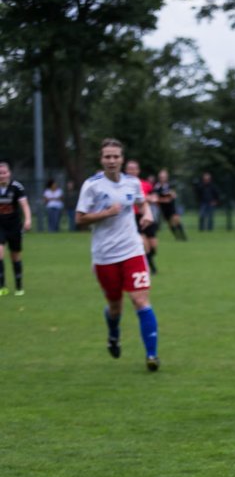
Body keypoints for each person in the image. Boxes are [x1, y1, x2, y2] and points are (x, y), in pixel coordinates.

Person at [75, 139, 160, 371]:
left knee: (140, 300)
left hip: (132, 250)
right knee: (115, 307)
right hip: (104, 256)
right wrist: (105, 213)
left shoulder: (132, 183)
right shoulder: (92, 186)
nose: (111, 161)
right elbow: (79, 219)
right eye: (107, 157)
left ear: (122, 159)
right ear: (101, 159)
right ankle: (113, 334)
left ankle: (152, 355)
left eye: (115, 157)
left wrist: (147, 214)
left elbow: (143, 204)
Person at [0, 162, 33, 296]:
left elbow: (24, 205)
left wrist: (28, 219)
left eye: (4, 172)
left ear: (9, 173)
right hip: (0, 226)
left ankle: (19, 287)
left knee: (15, 256)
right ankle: (2, 287)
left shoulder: (17, 187)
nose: (2, 175)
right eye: (0, 173)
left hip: (14, 226)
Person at [124, 160, 158, 272]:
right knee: (144, 243)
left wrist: (150, 198)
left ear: (138, 170)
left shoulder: (145, 184)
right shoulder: (122, 185)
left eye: (134, 168)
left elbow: (154, 197)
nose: (132, 171)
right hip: (133, 217)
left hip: (146, 216)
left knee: (153, 246)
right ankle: (150, 268)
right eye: (130, 169)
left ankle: (147, 260)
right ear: (126, 170)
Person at [151, 169, 188, 240]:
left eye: (164, 177)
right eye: (161, 177)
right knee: (170, 223)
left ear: (166, 177)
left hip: (171, 207)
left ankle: (183, 237)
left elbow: (174, 195)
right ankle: (177, 237)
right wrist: (163, 200)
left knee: (176, 220)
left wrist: (170, 196)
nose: (162, 178)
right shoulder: (157, 187)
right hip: (164, 208)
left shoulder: (169, 185)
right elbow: (155, 198)